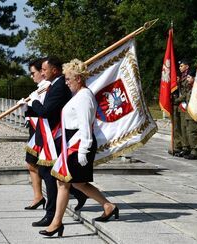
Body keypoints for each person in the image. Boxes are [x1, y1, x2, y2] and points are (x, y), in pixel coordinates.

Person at [39, 59, 119, 237]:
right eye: (66, 78)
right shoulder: (80, 95)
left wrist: (83, 150)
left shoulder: (83, 97)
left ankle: (56, 223)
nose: (66, 82)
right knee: (78, 183)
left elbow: (85, 126)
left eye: (68, 78)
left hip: (79, 144)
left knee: (63, 182)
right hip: (73, 143)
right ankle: (108, 206)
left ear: (78, 78)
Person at [28, 56, 87, 227]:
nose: (42, 72)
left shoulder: (60, 85)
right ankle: (78, 194)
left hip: (56, 134)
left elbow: (46, 111)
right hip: (50, 134)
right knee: (51, 173)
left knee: (48, 173)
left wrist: (34, 102)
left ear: (54, 70)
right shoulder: (54, 84)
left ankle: (52, 214)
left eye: (44, 69)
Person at [21, 58, 48, 210]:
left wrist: (32, 103)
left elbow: (44, 110)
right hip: (35, 131)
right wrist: (25, 107)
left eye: (34, 73)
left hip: (43, 133)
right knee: (31, 164)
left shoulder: (46, 88)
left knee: (37, 166)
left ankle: (76, 190)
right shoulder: (39, 89)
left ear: (42, 72)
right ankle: (38, 196)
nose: (32, 76)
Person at [173, 59, 190, 157]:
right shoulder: (181, 77)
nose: (180, 68)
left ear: (187, 67)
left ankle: (185, 147)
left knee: (184, 127)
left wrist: (177, 100)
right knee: (178, 127)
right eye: (179, 66)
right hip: (179, 104)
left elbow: (186, 93)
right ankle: (178, 146)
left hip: (184, 104)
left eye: (182, 66)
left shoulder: (188, 77)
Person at [183, 70, 197, 160]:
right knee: (189, 132)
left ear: (194, 78)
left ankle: (196, 151)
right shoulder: (190, 87)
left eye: (189, 77)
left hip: (194, 112)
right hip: (188, 112)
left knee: (194, 132)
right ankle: (191, 150)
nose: (187, 79)